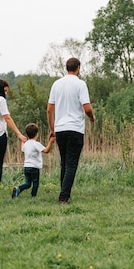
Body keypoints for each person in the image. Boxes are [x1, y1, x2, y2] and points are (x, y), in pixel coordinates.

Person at [47, 57, 95, 204]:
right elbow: (86, 107)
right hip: (75, 128)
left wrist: (52, 128)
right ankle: (63, 197)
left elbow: (49, 109)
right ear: (78, 68)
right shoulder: (80, 84)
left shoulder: (56, 84)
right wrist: (92, 117)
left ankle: (64, 191)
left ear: (66, 68)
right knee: (71, 164)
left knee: (64, 163)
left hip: (60, 129)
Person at [12, 123, 55, 199]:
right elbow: (46, 150)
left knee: (27, 183)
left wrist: (22, 140)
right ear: (37, 134)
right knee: (35, 183)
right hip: (34, 167)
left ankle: (18, 188)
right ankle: (33, 196)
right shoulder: (36, 144)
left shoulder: (26, 144)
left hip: (26, 167)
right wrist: (50, 142)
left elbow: (22, 148)